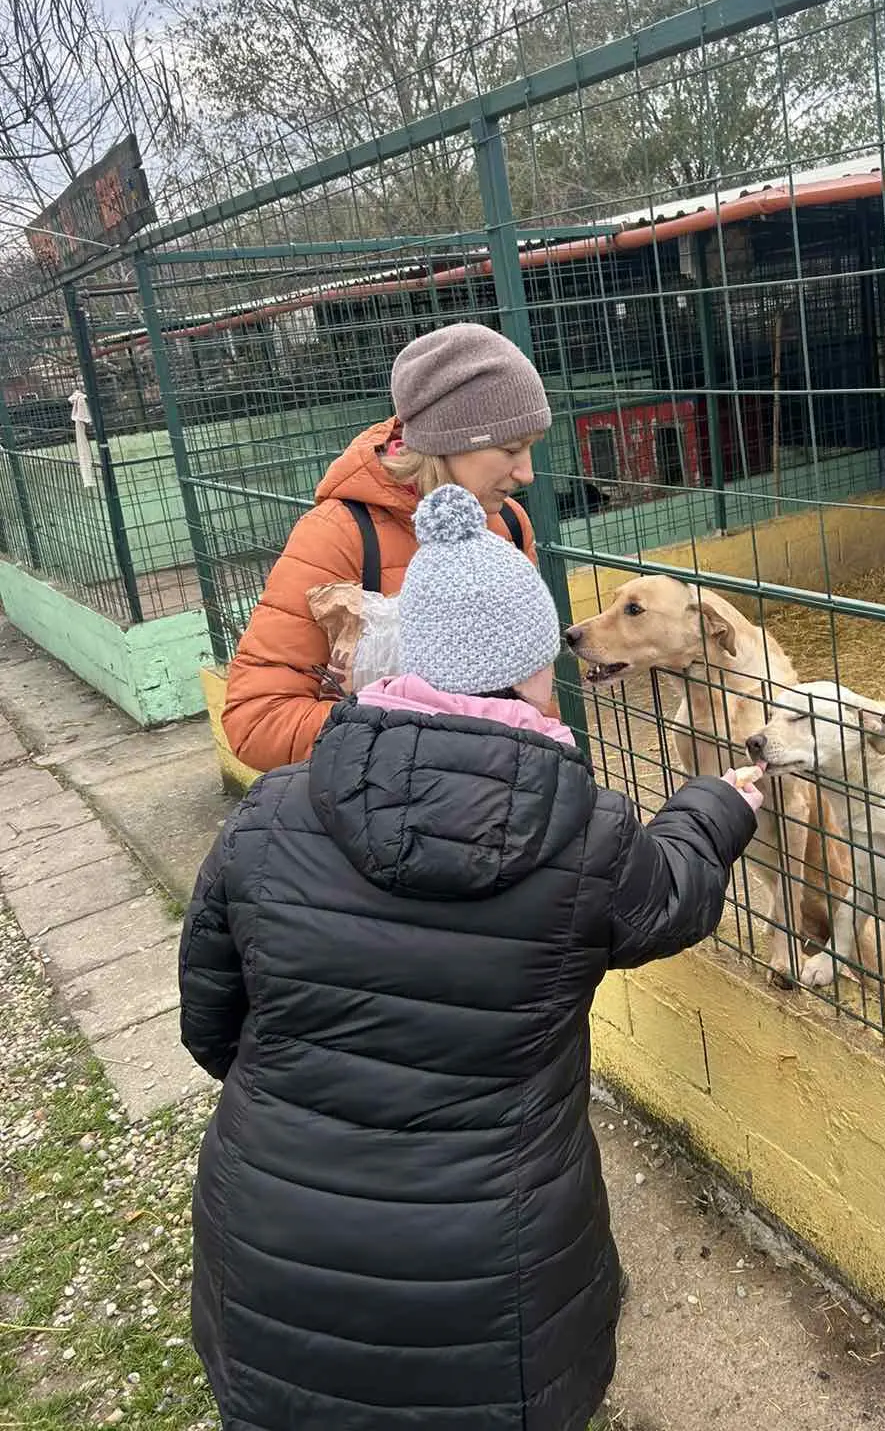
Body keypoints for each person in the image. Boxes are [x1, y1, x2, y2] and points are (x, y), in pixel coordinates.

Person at [180, 483, 764, 1431]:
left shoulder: (272, 813)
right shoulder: (584, 833)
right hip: (499, 1281)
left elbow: (211, 1027)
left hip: (268, 1262)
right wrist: (717, 805)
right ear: (533, 669)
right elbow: (673, 900)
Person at [222, 321, 553, 772]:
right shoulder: (338, 535)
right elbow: (257, 722)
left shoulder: (508, 524)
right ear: (445, 442)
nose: (526, 473)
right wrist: (423, 730)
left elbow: (532, 689)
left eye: (531, 447)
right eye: (511, 449)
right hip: (390, 800)